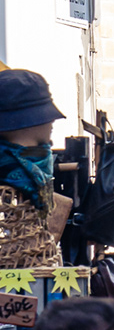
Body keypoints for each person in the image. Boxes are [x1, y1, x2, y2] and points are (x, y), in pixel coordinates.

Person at [0, 62, 71, 272]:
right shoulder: (10, 187)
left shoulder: (35, 176)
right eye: (44, 117)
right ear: (23, 122)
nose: (51, 123)